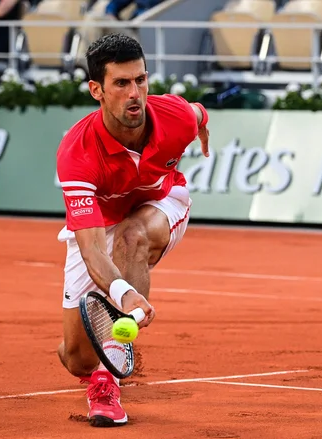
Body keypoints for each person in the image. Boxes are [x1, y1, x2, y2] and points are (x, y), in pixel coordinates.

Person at [54, 33, 210, 428]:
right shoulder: (77, 152)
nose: (135, 93)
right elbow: (91, 250)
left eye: (140, 80)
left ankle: (107, 384)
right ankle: (96, 362)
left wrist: (203, 126)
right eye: (121, 84)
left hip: (160, 204)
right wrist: (124, 294)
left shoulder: (173, 117)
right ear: (97, 90)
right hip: (99, 225)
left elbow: (196, 113)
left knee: (132, 237)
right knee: (76, 358)